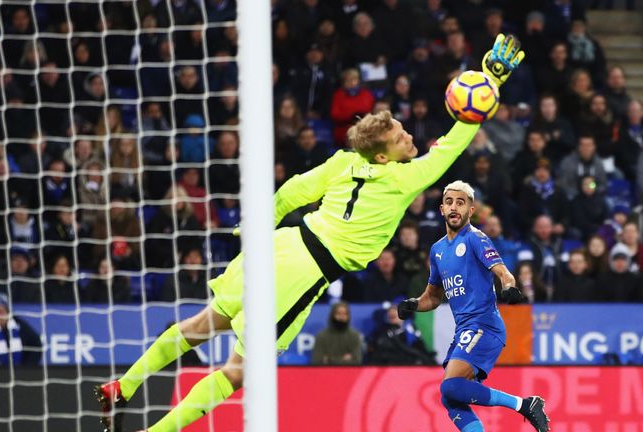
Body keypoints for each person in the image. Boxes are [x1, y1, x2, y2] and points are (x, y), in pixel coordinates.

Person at [95, 33, 527, 432]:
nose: (409, 136)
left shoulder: (342, 161)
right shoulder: (404, 180)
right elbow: (455, 141)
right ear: (383, 154)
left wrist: (254, 230)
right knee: (238, 370)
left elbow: (289, 193)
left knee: (204, 323)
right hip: (304, 272)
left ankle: (124, 386)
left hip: (278, 245)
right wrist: (490, 79)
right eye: (400, 136)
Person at [398, 180, 550, 432]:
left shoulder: (476, 239)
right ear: (441, 210)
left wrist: (508, 286)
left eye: (461, 202)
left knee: (451, 386)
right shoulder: (437, 250)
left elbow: (503, 272)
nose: (454, 207)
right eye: (449, 202)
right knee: (450, 397)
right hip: (464, 330)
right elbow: (433, 297)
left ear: (471, 210)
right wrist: (413, 305)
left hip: (484, 325)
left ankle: (524, 404)